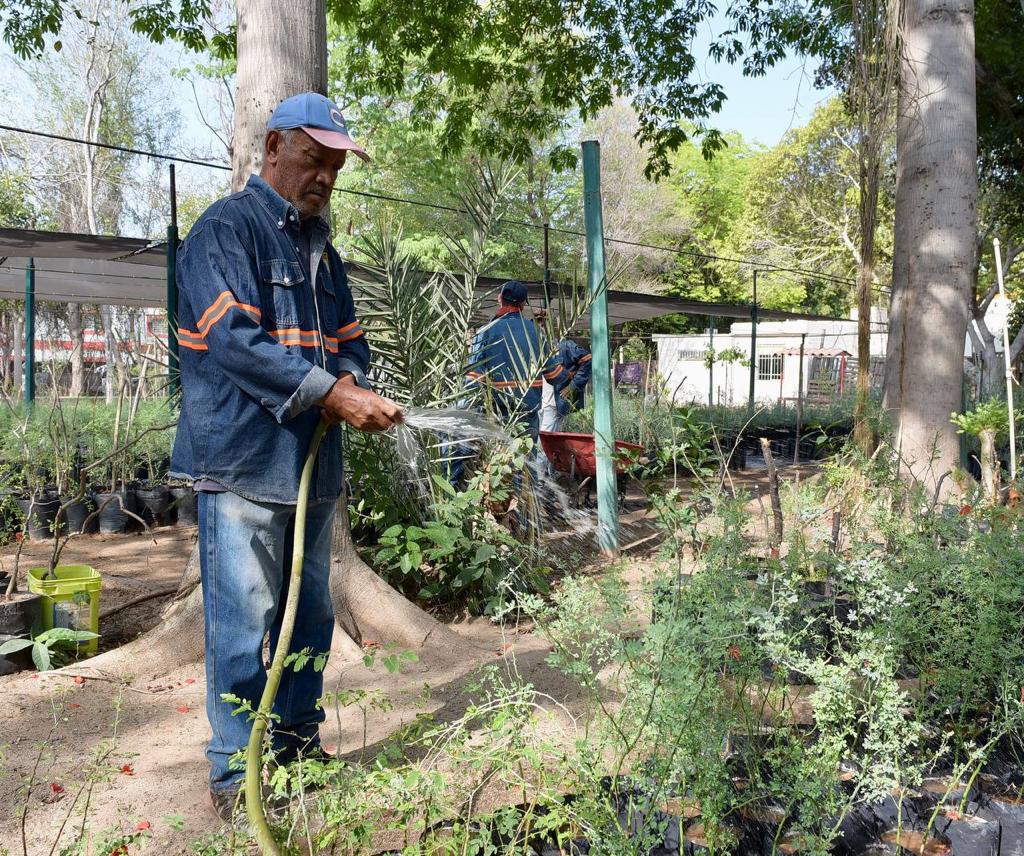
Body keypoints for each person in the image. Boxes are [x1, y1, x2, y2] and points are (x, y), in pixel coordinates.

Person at [170, 92, 403, 820]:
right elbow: (233, 341)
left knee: (309, 618)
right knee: (242, 625)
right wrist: (332, 394)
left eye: (335, 166)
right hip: (242, 463)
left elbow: (352, 340)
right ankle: (234, 776)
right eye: (314, 159)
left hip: (310, 470)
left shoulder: (323, 254)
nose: (325, 177)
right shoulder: (223, 231)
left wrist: (353, 383)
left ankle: (298, 750)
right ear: (273, 148)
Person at [446, 281, 564, 485]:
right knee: (524, 468)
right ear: (523, 304)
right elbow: (554, 375)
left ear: (500, 299)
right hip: (527, 415)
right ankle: (526, 504)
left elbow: (473, 379)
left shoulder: (485, 331)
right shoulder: (536, 333)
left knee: (496, 468)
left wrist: (463, 412)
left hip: (496, 414)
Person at [541, 338, 592, 433]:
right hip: (540, 404)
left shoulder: (565, 346)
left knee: (544, 436)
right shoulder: (537, 347)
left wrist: (573, 386)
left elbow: (587, 359)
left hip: (554, 403)